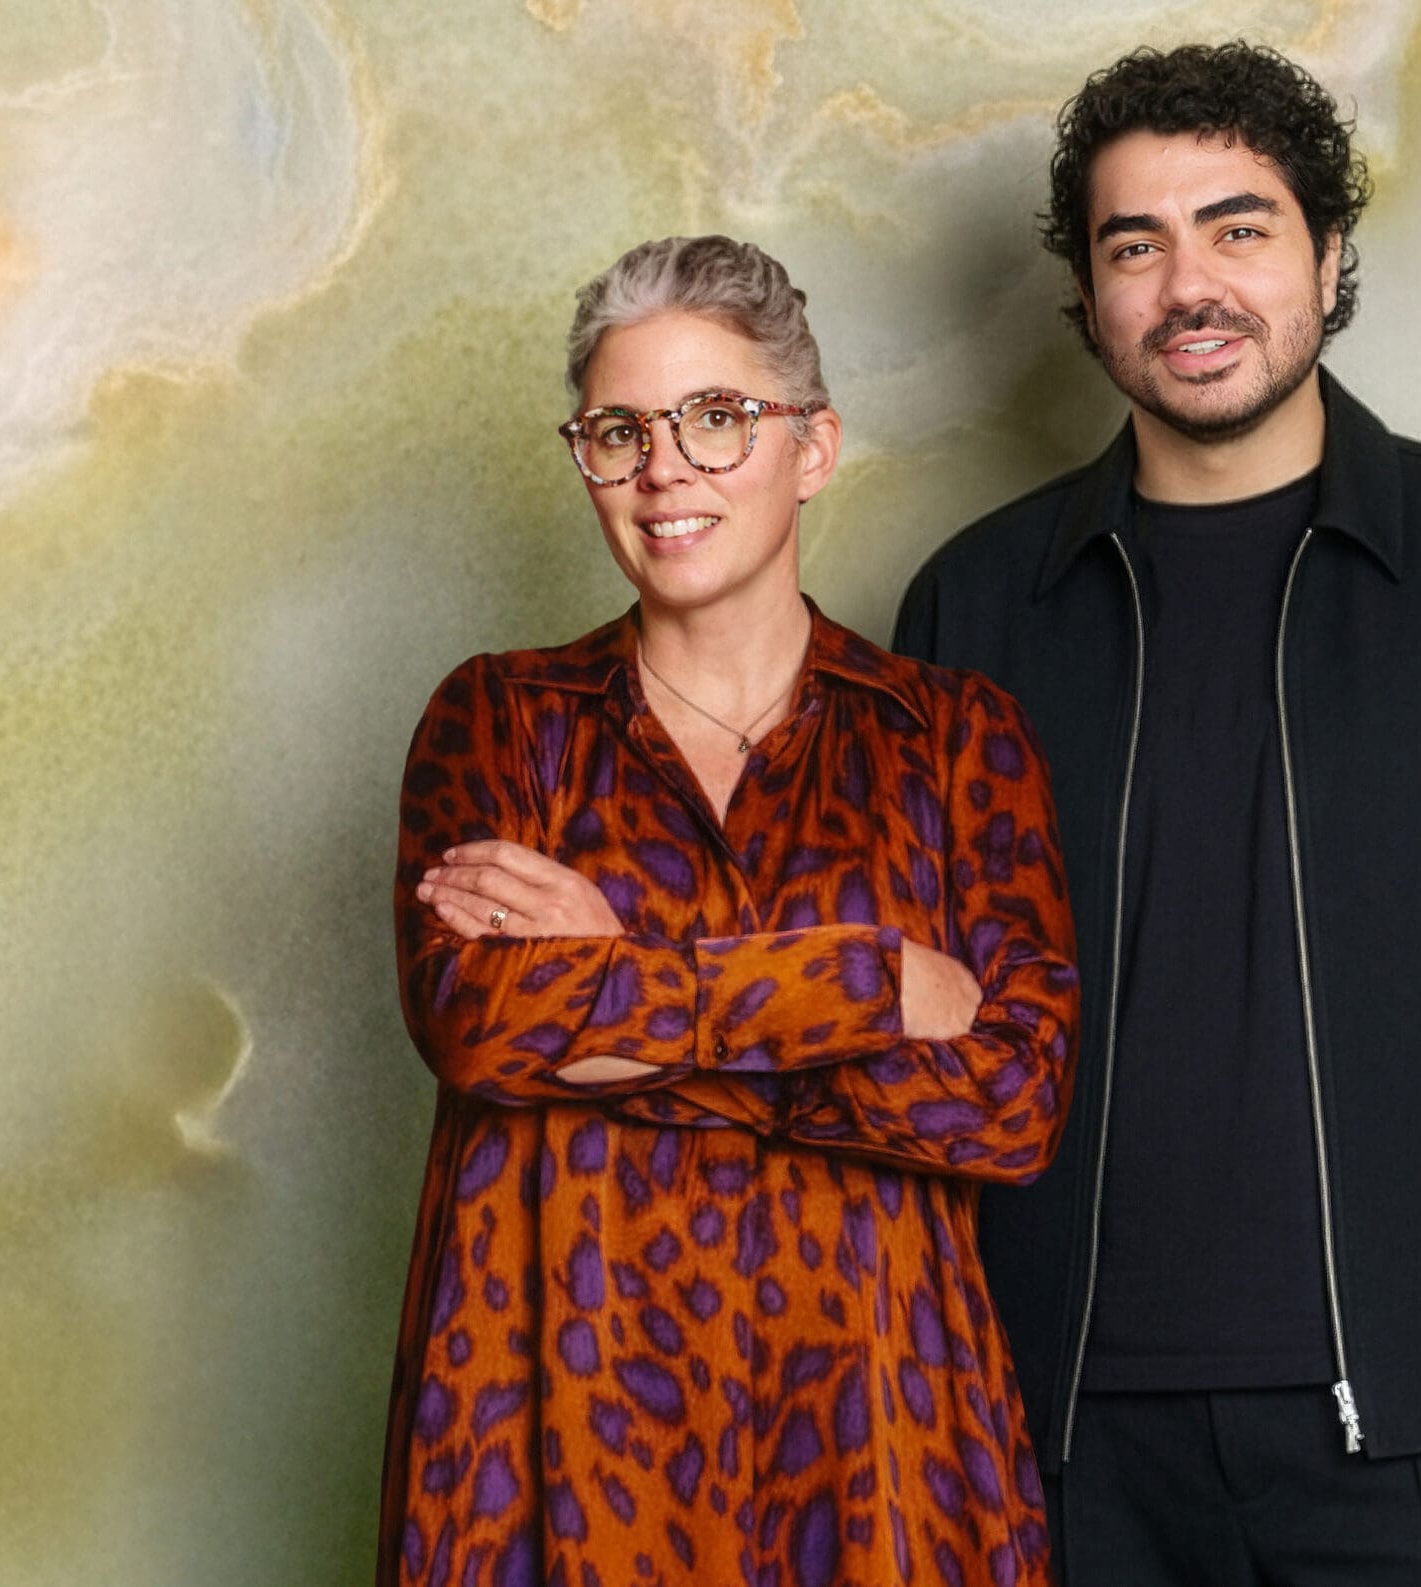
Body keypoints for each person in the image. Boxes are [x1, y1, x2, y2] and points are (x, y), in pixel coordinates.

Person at [892, 43, 1421, 1587]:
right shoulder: (977, 607)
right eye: (1137, 245)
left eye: (1238, 229)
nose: (1189, 284)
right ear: (1090, 296)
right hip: (1049, 1448)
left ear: (1326, 259)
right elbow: (902, 1019)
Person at [379, 234, 1077, 1587]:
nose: (664, 469)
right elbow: (480, 1026)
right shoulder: (503, 719)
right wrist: (862, 982)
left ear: (812, 448)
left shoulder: (952, 739)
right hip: (554, 1436)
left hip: (880, 1443)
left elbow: (1011, 1103)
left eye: (715, 417)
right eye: (620, 432)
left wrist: (620, 984)